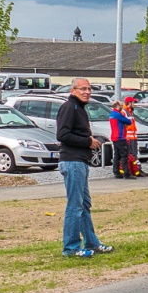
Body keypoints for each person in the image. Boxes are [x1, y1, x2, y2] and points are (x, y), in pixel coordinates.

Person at [56, 78, 113, 258]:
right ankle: (71, 248)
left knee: (84, 204)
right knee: (75, 206)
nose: (87, 92)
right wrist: (88, 141)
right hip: (72, 161)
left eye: (89, 89)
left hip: (80, 161)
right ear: (72, 91)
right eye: (82, 89)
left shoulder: (79, 109)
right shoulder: (69, 107)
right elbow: (63, 135)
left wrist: (88, 141)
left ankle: (92, 243)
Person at [109, 100, 131, 178]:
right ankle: (126, 173)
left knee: (116, 155)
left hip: (114, 137)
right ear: (117, 106)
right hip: (121, 137)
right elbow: (128, 121)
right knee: (124, 155)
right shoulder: (118, 114)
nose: (121, 106)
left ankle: (116, 172)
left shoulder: (112, 114)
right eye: (120, 105)